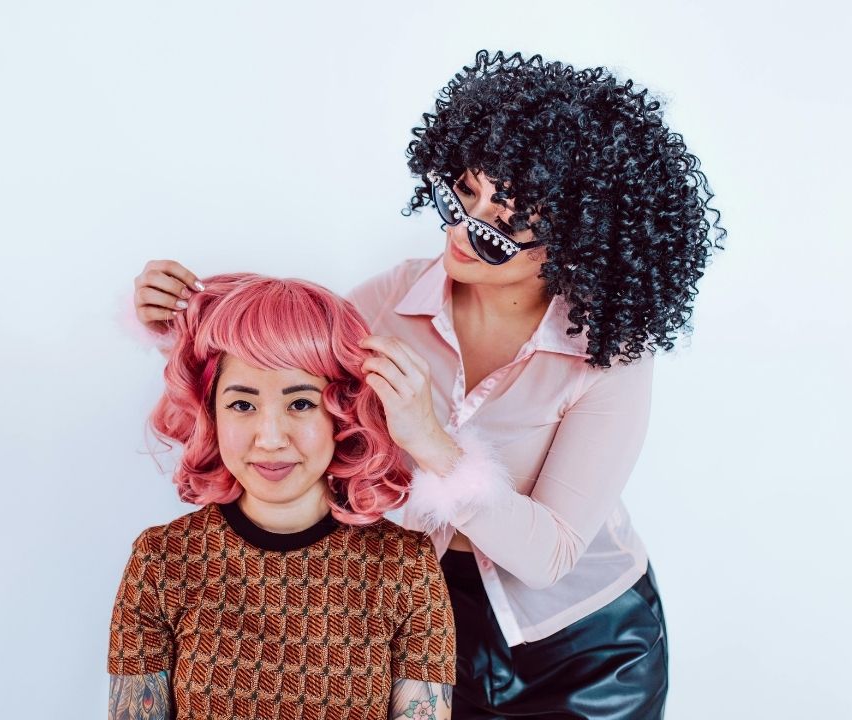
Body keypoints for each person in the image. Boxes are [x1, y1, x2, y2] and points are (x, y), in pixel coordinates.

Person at [133, 51, 724, 719]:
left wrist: (432, 442)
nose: (464, 231)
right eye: (462, 194)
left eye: (502, 226)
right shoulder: (388, 302)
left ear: (577, 243)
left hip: (590, 647)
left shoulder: (610, 357)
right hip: (429, 618)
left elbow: (550, 555)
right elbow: (275, 371)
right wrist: (181, 315)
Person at [108, 273, 456, 720]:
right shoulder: (162, 560)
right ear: (210, 413)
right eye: (242, 405)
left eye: (300, 404)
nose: (270, 439)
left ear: (342, 413)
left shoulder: (405, 566)